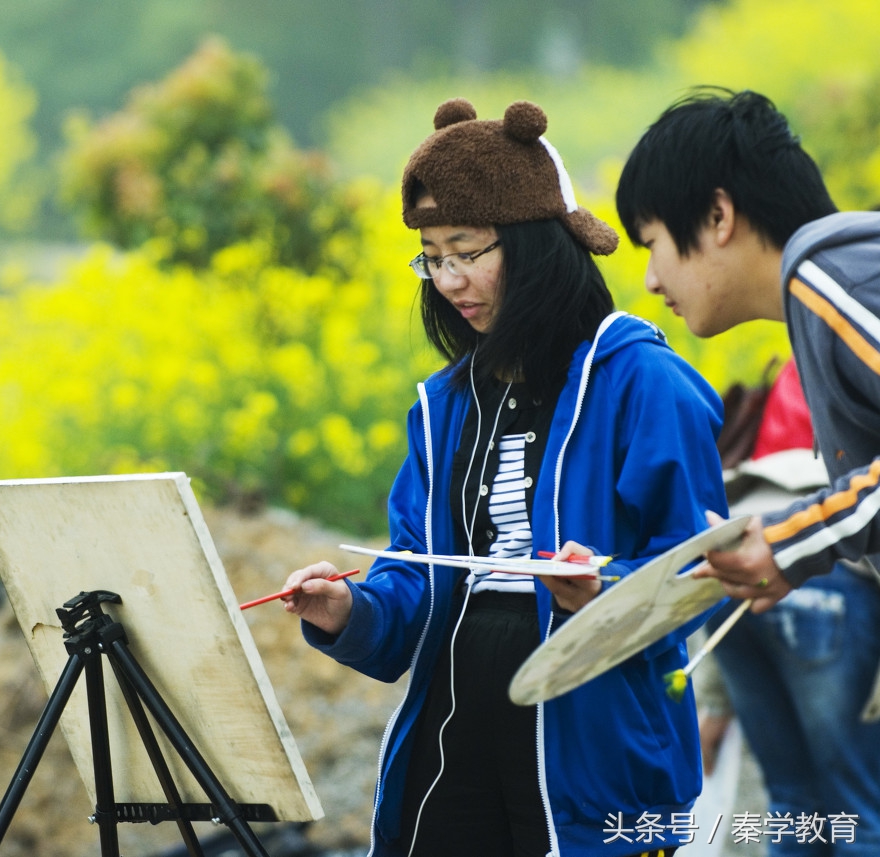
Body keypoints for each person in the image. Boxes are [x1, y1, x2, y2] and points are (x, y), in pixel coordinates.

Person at [281, 98, 727, 857]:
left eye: (467, 249)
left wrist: (604, 586)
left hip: (596, 737)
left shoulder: (642, 381)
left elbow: (703, 568)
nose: (449, 279)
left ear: (534, 242)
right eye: (431, 254)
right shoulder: (445, 406)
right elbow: (415, 579)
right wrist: (347, 608)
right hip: (455, 734)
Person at [615, 88, 880, 617]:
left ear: (718, 215)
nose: (649, 281)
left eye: (651, 243)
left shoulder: (832, 281)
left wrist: (792, 543)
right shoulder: (832, 284)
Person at [703, 359, 880, 856]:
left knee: (791, 801)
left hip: (737, 561)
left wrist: (714, 702)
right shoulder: (859, 348)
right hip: (828, 575)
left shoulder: (803, 357)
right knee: (860, 810)